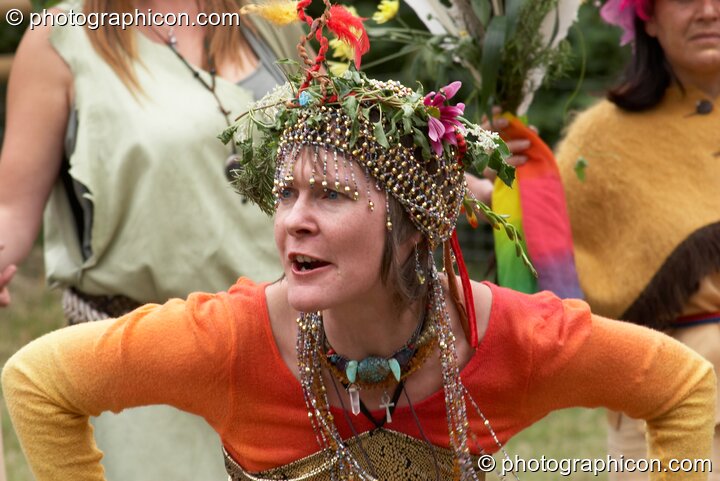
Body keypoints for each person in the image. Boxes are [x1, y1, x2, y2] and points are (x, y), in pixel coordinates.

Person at [3, 2, 717, 480]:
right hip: (185, 329)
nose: (292, 217)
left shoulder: (259, 21)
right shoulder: (71, 30)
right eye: (284, 195)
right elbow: (35, 373)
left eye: (328, 197)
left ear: (410, 230)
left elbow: (680, 387)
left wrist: (493, 182)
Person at [0, 0, 303, 479]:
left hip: (286, 362)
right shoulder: (62, 39)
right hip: (145, 363)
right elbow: (11, 209)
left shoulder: (275, 18)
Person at [555, 0, 720, 479]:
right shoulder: (601, 138)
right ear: (647, 13)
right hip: (664, 406)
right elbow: (540, 255)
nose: (709, 12)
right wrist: (498, 179)